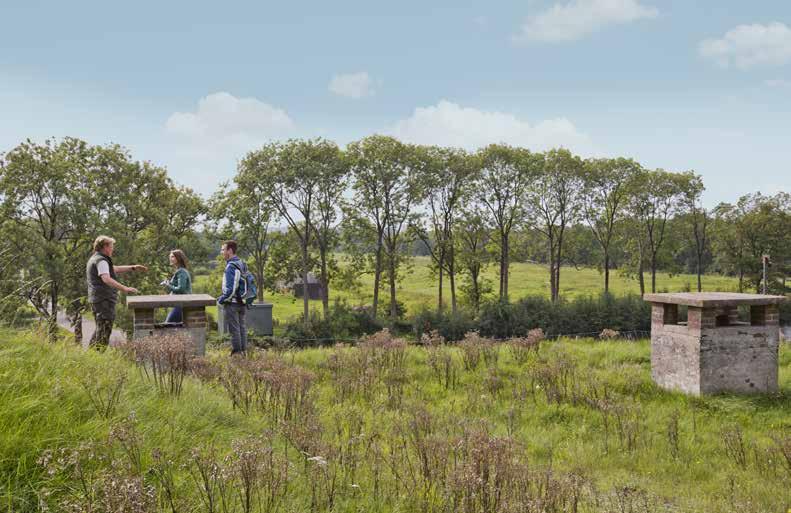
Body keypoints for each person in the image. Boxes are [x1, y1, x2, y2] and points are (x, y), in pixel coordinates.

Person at [86, 235, 147, 349]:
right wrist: (125, 288)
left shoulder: (96, 258)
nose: (113, 249)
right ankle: (98, 355)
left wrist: (133, 267)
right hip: (104, 300)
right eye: (111, 246)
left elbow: (115, 268)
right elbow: (106, 278)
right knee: (105, 330)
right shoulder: (101, 260)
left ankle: (92, 354)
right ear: (105, 247)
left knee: (100, 328)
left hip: (97, 300)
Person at [217, 240, 249, 355]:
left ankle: (237, 354)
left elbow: (231, 289)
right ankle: (244, 352)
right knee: (242, 328)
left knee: (234, 330)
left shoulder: (231, 266)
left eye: (223, 249)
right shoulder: (242, 263)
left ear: (229, 251)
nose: (221, 252)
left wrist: (222, 299)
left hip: (233, 303)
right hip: (243, 301)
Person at [160, 249, 192, 323]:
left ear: (178, 258)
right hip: (179, 304)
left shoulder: (181, 271)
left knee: (167, 325)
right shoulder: (180, 270)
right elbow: (178, 286)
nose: (170, 258)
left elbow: (181, 289)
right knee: (172, 326)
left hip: (181, 304)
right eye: (170, 257)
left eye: (172, 257)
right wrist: (169, 283)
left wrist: (168, 285)